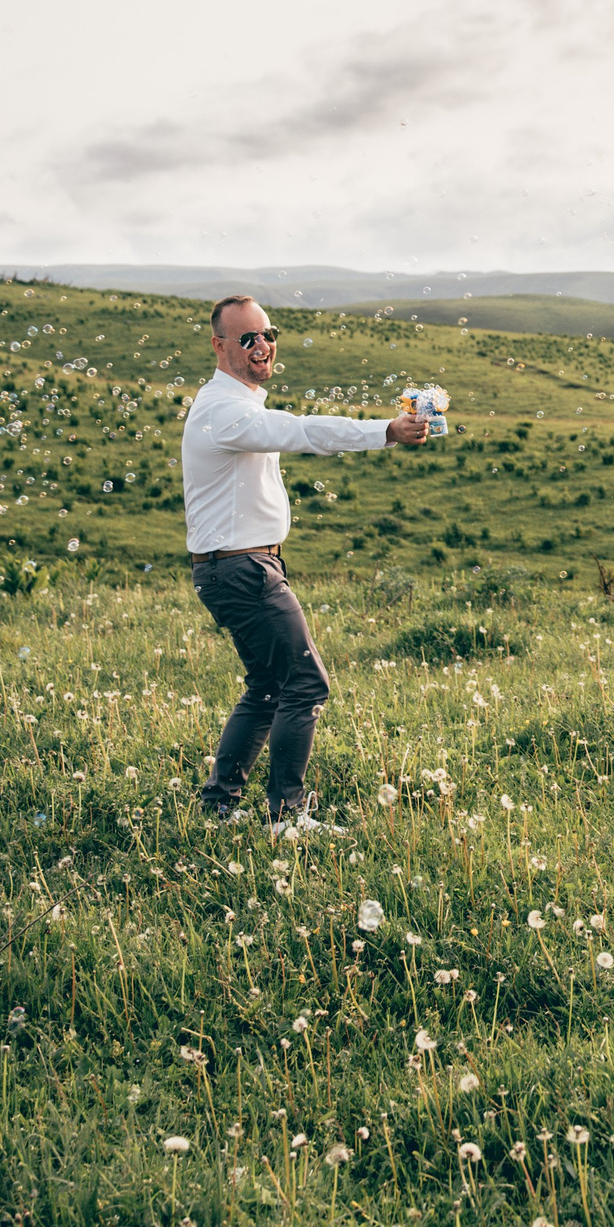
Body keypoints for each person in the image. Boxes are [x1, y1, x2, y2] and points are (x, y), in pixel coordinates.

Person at [184, 295, 430, 833]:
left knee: (268, 686)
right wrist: (383, 431)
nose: (262, 345)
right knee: (305, 684)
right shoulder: (223, 410)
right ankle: (286, 817)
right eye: (247, 338)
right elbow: (301, 431)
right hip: (244, 569)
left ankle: (220, 806)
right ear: (219, 346)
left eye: (268, 334)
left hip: (234, 566)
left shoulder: (237, 405)